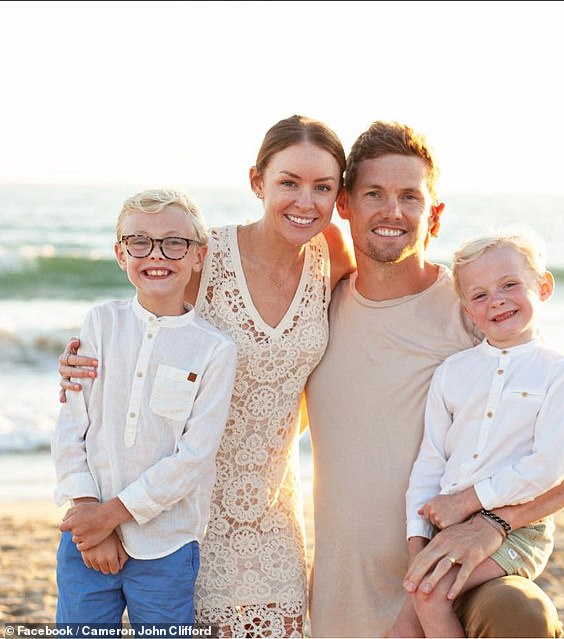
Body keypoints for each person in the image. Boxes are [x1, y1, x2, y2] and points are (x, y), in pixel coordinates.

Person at [304, 120, 564, 638]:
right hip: (344, 595)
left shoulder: (472, 307)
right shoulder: (318, 307)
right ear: (344, 204)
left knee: (523, 615)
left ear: (435, 215)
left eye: (410, 196)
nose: (393, 212)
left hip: (460, 584)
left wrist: (493, 525)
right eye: (374, 194)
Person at [57, 115, 355, 637]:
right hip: (185, 509)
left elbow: (368, 334)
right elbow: (138, 341)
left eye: (322, 187)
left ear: (338, 195)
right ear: (258, 181)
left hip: (272, 504)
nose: (305, 201)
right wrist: (76, 367)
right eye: (289, 182)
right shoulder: (203, 253)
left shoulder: (332, 255)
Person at [52, 188, 237, 625]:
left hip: (167, 545)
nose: (157, 254)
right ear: (120, 254)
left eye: (175, 242)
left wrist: (110, 516)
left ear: (197, 256)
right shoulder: (99, 323)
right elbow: (71, 426)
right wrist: (87, 515)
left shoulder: (214, 349)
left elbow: (193, 458)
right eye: (139, 241)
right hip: (84, 535)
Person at [404, 228, 564, 637]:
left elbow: (551, 464)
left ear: (544, 286)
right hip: (446, 526)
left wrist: (469, 500)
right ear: (467, 310)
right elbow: (430, 460)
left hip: (517, 528)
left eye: (509, 285)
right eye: (480, 295)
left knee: (432, 592)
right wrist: (417, 539)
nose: (497, 300)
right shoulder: (453, 372)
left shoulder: (559, 371)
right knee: (422, 587)